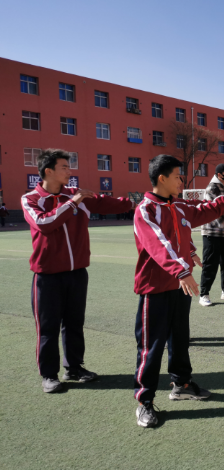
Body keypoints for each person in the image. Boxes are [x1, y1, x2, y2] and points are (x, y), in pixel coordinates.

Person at [133, 155, 224, 428]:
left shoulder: (178, 205)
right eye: (178, 176)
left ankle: (181, 384)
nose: (183, 180)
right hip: (156, 287)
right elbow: (158, 245)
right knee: (151, 346)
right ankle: (144, 401)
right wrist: (181, 269)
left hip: (179, 287)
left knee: (180, 339)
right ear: (162, 178)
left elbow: (202, 212)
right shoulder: (146, 210)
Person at [21, 149, 134, 393]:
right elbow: (44, 224)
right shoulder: (31, 199)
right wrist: (73, 202)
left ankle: (74, 367)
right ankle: (49, 376)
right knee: (48, 327)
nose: (69, 171)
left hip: (77, 273)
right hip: (47, 276)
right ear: (48, 170)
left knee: (74, 323)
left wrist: (140, 200)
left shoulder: (76, 194)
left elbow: (107, 202)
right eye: (64, 167)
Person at [199, 164, 224, 306]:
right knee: (210, 264)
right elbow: (212, 206)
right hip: (212, 231)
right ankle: (204, 294)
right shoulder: (212, 187)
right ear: (220, 174)